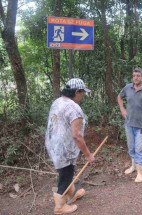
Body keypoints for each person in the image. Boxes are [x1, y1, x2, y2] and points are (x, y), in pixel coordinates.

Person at [45, 78, 95, 214]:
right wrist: (89, 155)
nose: (83, 95)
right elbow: (77, 136)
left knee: (65, 171)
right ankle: (60, 206)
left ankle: (70, 193)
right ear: (77, 91)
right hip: (64, 148)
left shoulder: (58, 101)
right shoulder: (74, 108)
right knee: (66, 174)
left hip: (53, 144)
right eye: (82, 92)